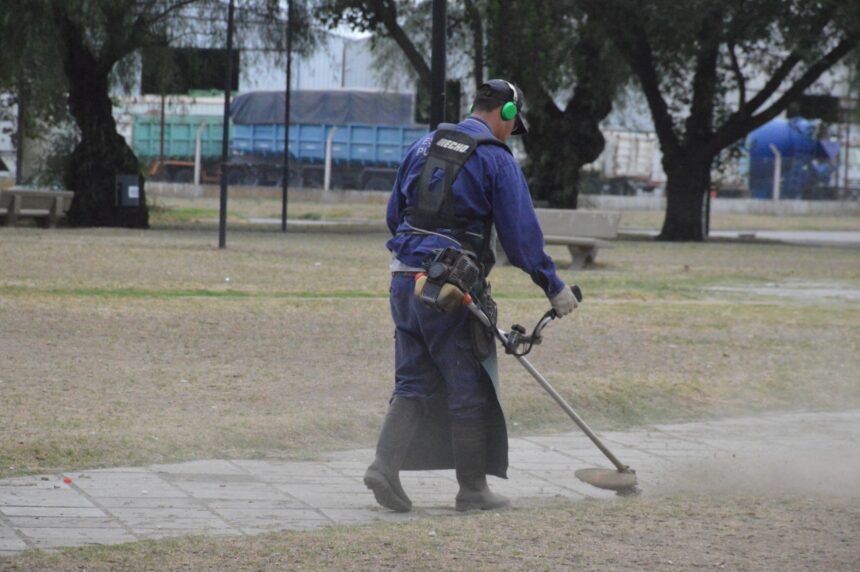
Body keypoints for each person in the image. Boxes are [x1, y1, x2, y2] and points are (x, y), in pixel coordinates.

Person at [364, 79, 579, 513]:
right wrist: (554, 287)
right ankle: (473, 489)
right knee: (469, 383)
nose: (511, 135)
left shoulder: (423, 145)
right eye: (513, 125)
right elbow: (520, 240)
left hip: (404, 280)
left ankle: (383, 467)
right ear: (507, 115)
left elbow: (394, 217)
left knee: (413, 381)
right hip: (449, 288)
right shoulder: (495, 159)